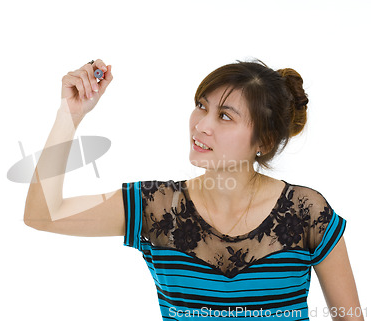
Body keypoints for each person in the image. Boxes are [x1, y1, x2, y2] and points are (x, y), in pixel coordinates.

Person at [23, 59, 364, 320]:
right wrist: (70, 114)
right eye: (202, 106)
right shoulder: (155, 207)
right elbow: (43, 215)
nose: (201, 125)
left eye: (225, 116)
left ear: (264, 140)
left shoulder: (307, 211)